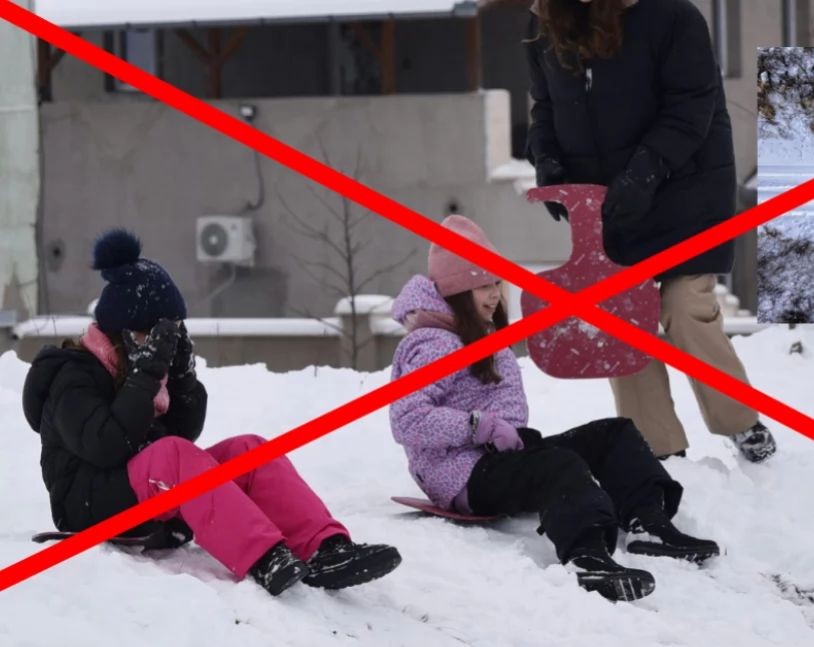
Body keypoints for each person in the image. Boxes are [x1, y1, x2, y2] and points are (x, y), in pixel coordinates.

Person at [22, 229, 402, 596]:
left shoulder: (141, 374)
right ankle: (264, 556)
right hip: (87, 506)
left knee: (249, 451)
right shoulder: (73, 375)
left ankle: (325, 550)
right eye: (150, 333)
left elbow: (185, 432)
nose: (159, 345)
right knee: (171, 455)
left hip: (143, 497)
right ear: (123, 333)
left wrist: (183, 379)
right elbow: (106, 446)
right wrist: (146, 375)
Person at [388, 215, 720, 602]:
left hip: (496, 459)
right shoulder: (435, 343)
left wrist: (499, 433)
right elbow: (407, 419)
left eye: (495, 281)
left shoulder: (479, 331)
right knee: (558, 467)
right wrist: (480, 426)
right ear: (457, 291)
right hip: (461, 475)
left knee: (613, 435)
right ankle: (587, 558)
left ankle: (650, 525)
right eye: (481, 285)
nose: (494, 293)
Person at [522, 0, 777, 462]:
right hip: (611, 202)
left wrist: (645, 172)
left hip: (686, 188)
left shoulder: (672, 17)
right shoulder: (544, 23)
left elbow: (691, 105)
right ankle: (656, 447)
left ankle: (741, 423)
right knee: (619, 318)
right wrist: (548, 161)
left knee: (684, 307)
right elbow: (544, 107)